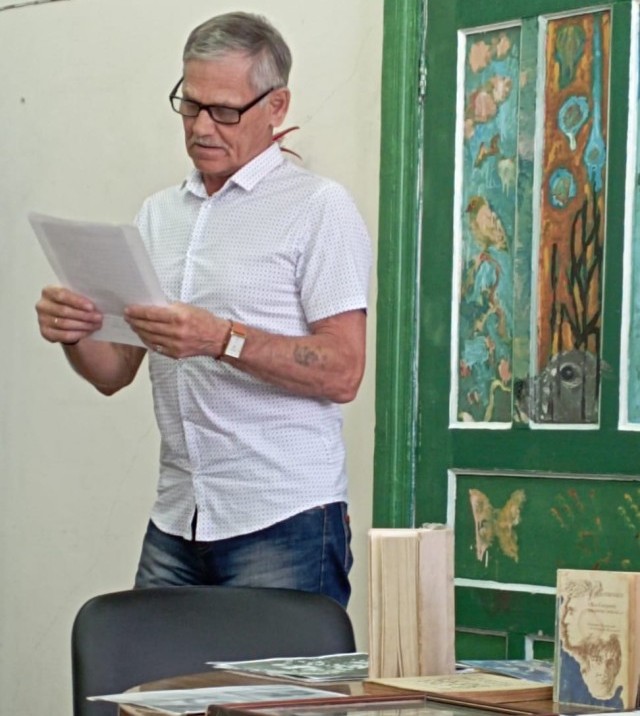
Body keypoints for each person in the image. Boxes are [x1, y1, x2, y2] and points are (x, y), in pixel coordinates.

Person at [34, 11, 371, 607]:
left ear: (277, 106)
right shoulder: (159, 215)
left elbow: (344, 371)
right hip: (179, 518)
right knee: (144, 670)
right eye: (190, 105)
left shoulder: (319, 208)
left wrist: (222, 339)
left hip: (283, 519)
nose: (201, 127)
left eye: (224, 111)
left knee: (275, 677)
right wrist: (75, 333)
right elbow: (114, 372)